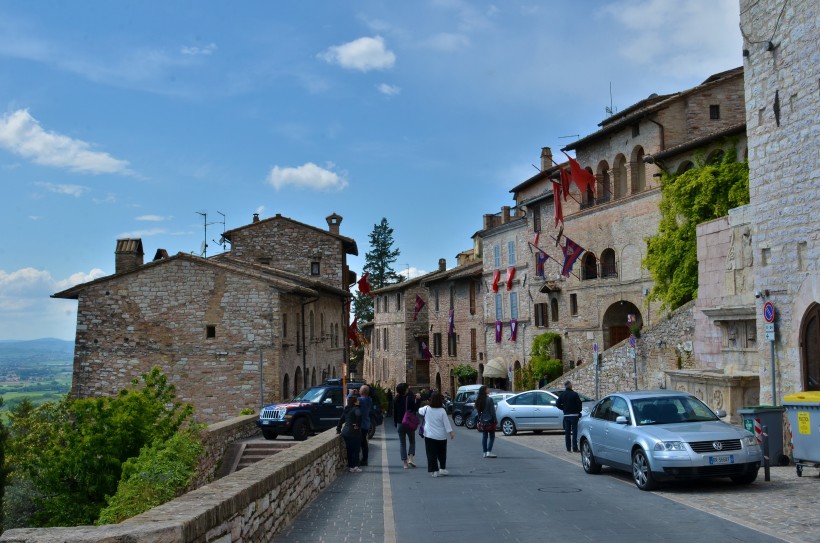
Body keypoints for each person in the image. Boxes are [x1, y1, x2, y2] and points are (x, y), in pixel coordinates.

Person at [418, 391, 454, 477]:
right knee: (442, 453)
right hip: (441, 436)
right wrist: (451, 432)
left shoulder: (426, 409)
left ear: (431, 399)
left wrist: (424, 403)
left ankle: (434, 471)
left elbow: (419, 410)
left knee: (431, 454)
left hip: (429, 435)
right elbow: (446, 423)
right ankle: (442, 468)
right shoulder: (442, 411)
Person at [393, 383, 418, 469]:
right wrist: (418, 399)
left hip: (400, 423)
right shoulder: (410, 399)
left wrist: (395, 423)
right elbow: (415, 409)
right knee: (412, 441)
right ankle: (411, 458)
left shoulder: (396, 399)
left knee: (402, 443)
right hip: (408, 422)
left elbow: (395, 413)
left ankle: (405, 463)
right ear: (405, 390)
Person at [336, 395, 363, 472]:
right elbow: (359, 415)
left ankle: (351, 466)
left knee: (349, 449)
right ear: (354, 402)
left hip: (345, 432)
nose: (359, 401)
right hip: (353, 432)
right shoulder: (356, 409)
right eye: (357, 400)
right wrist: (357, 425)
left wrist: (338, 430)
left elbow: (341, 421)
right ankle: (355, 466)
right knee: (356, 449)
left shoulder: (346, 410)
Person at [556, 380, 582, 452]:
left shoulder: (562, 394)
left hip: (566, 415)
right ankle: (574, 447)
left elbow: (557, 404)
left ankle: (568, 448)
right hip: (574, 415)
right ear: (570, 385)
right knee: (574, 432)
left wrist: (563, 408)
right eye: (571, 384)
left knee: (567, 432)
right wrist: (578, 411)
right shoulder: (575, 394)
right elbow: (579, 404)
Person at [474, 385, 498, 458]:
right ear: (484, 391)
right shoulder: (489, 399)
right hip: (490, 420)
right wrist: (495, 420)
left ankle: (484, 452)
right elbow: (492, 411)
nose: (488, 390)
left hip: (483, 420)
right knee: (492, 436)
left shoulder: (479, 400)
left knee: (484, 436)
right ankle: (489, 451)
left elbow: (478, 412)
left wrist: (480, 419)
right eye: (487, 389)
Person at [358, 385, 372, 466]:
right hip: (366, 423)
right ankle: (365, 459)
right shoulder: (369, 399)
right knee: (364, 443)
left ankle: (362, 460)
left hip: (361, 424)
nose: (358, 391)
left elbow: (348, 402)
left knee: (361, 442)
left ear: (362, 392)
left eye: (359, 390)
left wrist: (350, 394)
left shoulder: (360, 400)